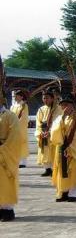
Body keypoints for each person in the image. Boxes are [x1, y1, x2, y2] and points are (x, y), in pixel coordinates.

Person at [50, 95, 76, 202]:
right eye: (62, 105)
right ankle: (63, 191)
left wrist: (70, 147)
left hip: (73, 148)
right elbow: (55, 132)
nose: (64, 107)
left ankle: (74, 193)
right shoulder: (59, 118)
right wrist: (62, 118)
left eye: (67, 105)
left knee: (73, 170)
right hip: (61, 146)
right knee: (62, 170)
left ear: (73, 106)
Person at [0, 87, 22, 222]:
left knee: (6, 181)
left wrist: (2, 148)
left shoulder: (10, 116)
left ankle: (7, 210)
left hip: (5, 152)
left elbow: (14, 136)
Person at [35, 89, 62, 177]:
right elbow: (38, 122)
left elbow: (58, 122)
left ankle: (54, 169)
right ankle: (47, 169)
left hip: (52, 133)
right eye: (44, 98)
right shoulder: (41, 109)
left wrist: (50, 132)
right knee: (45, 151)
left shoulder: (58, 109)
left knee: (53, 151)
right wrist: (40, 132)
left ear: (52, 98)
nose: (45, 100)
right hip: (43, 132)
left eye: (47, 98)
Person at [9, 89, 29, 168]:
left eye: (17, 96)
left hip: (20, 128)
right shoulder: (13, 106)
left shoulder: (24, 105)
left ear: (21, 97)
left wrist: (16, 124)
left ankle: (23, 162)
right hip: (13, 127)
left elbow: (24, 117)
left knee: (22, 143)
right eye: (14, 96)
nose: (15, 97)